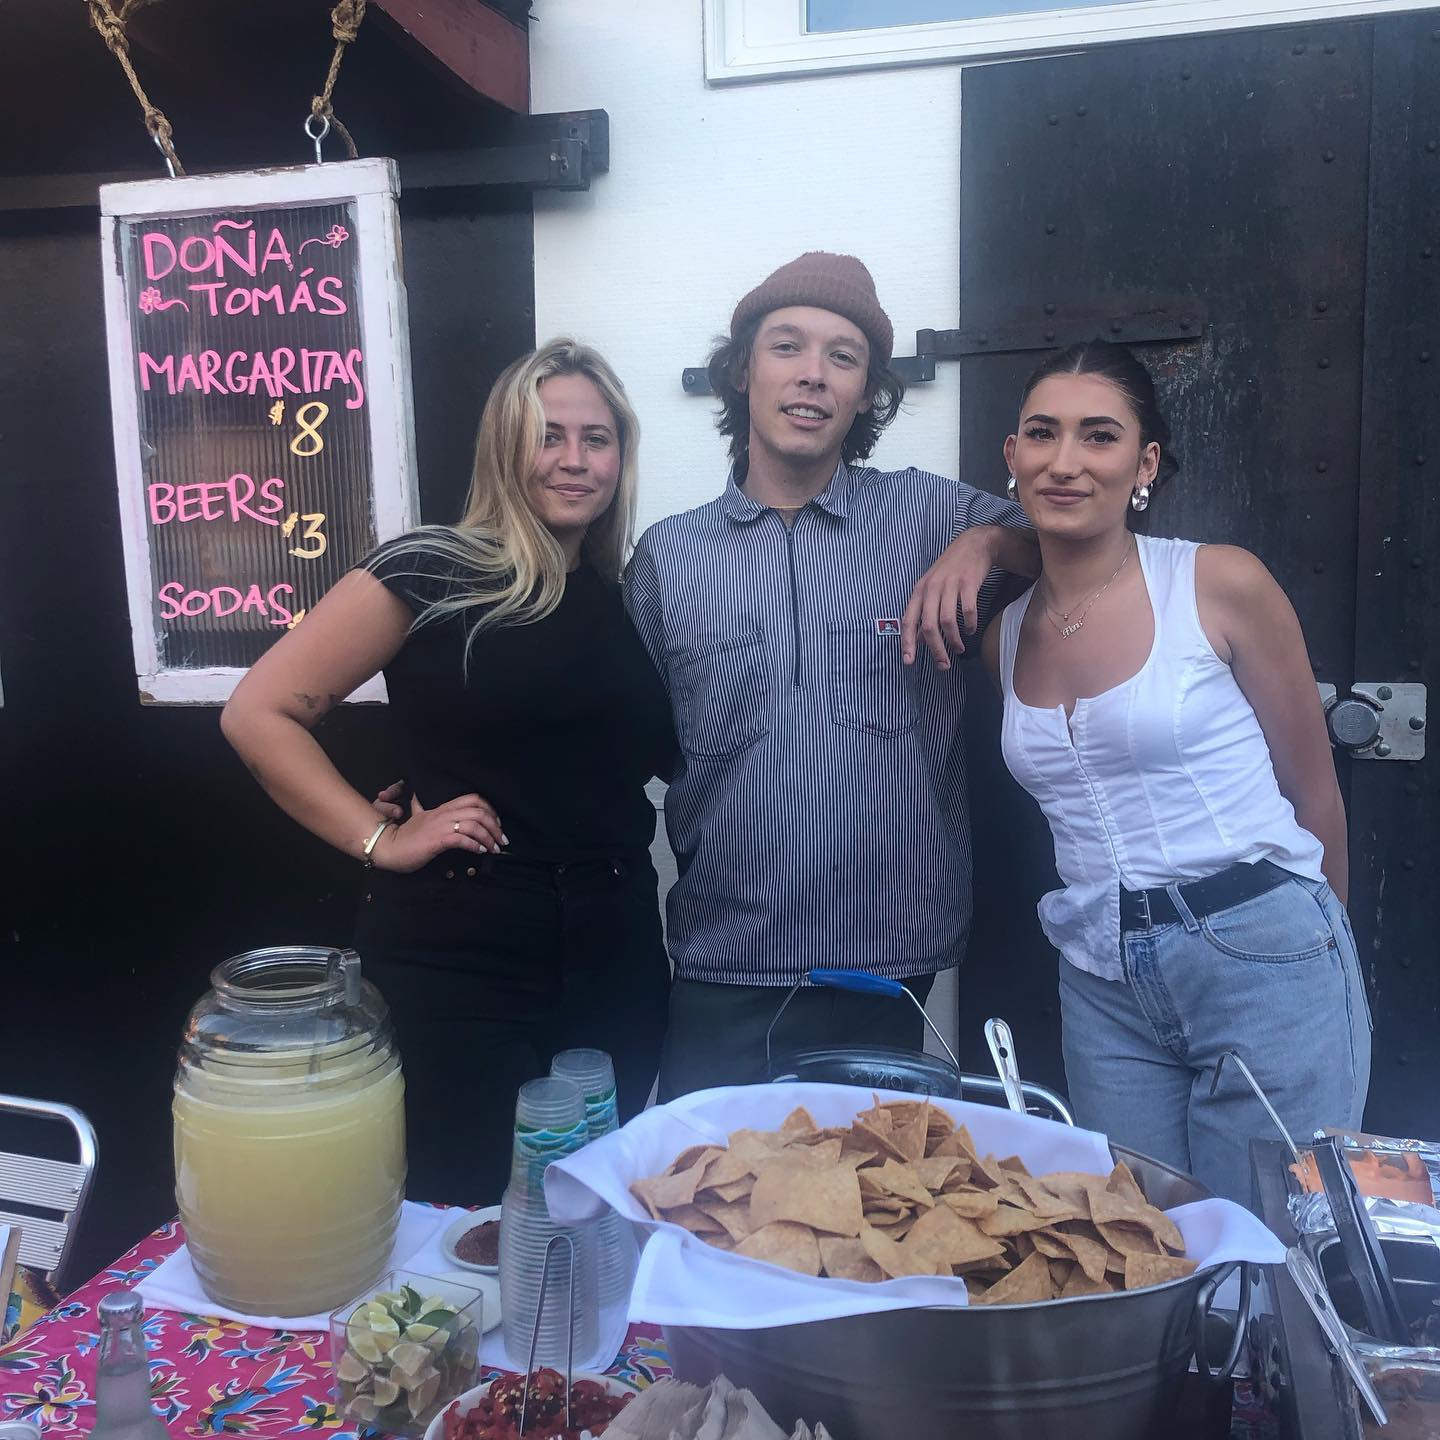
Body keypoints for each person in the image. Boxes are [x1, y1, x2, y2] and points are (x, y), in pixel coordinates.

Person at [221, 339, 675, 1203]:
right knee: (461, 1220)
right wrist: (378, 837)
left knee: (591, 1209)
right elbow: (259, 712)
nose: (575, 459)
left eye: (597, 438)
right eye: (548, 435)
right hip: (462, 953)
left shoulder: (624, 600)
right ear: (506, 447)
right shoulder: (433, 570)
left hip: (616, 951)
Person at [624, 251, 1039, 1099]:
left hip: (888, 962)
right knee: (710, 1178)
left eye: (842, 358)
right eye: (787, 347)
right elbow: (628, 740)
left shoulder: (931, 514)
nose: (813, 374)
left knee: (877, 1179)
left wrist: (992, 540)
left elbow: (1078, 545)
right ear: (741, 371)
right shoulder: (668, 557)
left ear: (865, 395)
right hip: (723, 959)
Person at [981, 338, 1370, 1205]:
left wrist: (1320, 962)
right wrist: (984, 544)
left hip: (1261, 952)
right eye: (1042, 433)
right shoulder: (1003, 637)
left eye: (1100, 436)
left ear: (1145, 463)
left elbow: (1314, 792)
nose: (1066, 461)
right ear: (1013, 454)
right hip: (1102, 978)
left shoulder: (1218, 583)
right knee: (1144, 1242)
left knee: (1274, 1246)